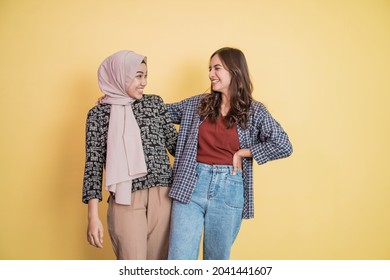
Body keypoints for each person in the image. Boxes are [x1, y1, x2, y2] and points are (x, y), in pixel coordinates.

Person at [166, 47, 293, 260]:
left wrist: (245, 152)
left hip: (229, 188)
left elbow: (283, 144)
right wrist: (119, 98)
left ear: (234, 71)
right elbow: (160, 111)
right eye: (210, 68)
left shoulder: (254, 111)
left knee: (217, 260)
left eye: (217, 68)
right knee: (179, 259)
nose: (210, 74)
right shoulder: (198, 104)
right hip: (190, 183)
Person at [82, 50, 177, 260]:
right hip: (125, 198)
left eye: (145, 75)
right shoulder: (98, 114)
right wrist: (92, 216)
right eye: (138, 76)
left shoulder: (154, 103)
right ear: (119, 76)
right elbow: (93, 166)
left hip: (163, 195)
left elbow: (175, 146)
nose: (144, 82)